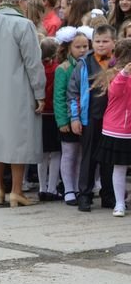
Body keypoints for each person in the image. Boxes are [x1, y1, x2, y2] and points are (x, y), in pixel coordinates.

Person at [0, 0, 47, 208]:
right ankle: (17, 191)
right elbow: (33, 63)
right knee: (19, 140)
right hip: (18, 89)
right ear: (21, 1)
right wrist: (40, 93)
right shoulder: (24, 25)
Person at [68, 24, 117, 212]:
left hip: (113, 119)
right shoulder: (84, 63)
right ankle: (85, 195)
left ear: (114, 43)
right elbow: (73, 92)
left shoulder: (118, 62)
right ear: (92, 43)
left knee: (110, 159)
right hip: (90, 117)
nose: (101, 45)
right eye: (97, 41)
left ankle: (109, 195)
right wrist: (75, 117)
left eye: (105, 41)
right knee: (88, 158)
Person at [54, 28, 90, 205]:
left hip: (84, 118)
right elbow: (59, 96)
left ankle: (78, 186)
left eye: (85, 46)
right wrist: (62, 120)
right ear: (69, 48)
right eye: (78, 47)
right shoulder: (64, 69)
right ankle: (68, 188)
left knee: (82, 154)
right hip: (69, 120)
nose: (82, 50)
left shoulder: (89, 65)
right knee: (69, 153)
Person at [96, 39, 131, 216]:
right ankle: (119, 204)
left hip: (125, 127)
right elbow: (115, 93)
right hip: (117, 129)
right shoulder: (113, 74)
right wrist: (124, 73)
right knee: (119, 167)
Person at [37, 38, 63, 201]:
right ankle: (52, 188)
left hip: (39, 114)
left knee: (42, 154)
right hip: (54, 114)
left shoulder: (37, 68)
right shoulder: (57, 69)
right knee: (56, 153)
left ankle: (42, 187)